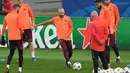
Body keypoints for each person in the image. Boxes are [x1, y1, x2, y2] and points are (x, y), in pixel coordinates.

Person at [1, 4, 23, 73]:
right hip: (18, 38)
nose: (19, 10)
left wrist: (2, 37)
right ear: (17, 8)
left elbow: (4, 28)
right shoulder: (18, 16)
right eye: (19, 9)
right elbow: (19, 26)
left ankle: (7, 67)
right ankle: (19, 70)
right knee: (20, 53)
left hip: (11, 38)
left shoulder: (7, 16)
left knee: (11, 53)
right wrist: (23, 33)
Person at [94, 0, 111, 67]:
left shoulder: (106, 10)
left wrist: (103, 28)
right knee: (103, 48)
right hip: (102, 32)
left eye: (97, 4)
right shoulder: (101, 10)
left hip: (105, 31)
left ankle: (108, 64)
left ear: (101, 3)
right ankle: (105, 63)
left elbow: (108, 21)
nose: (97, 6)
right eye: (96, 5)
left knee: (106, 48)